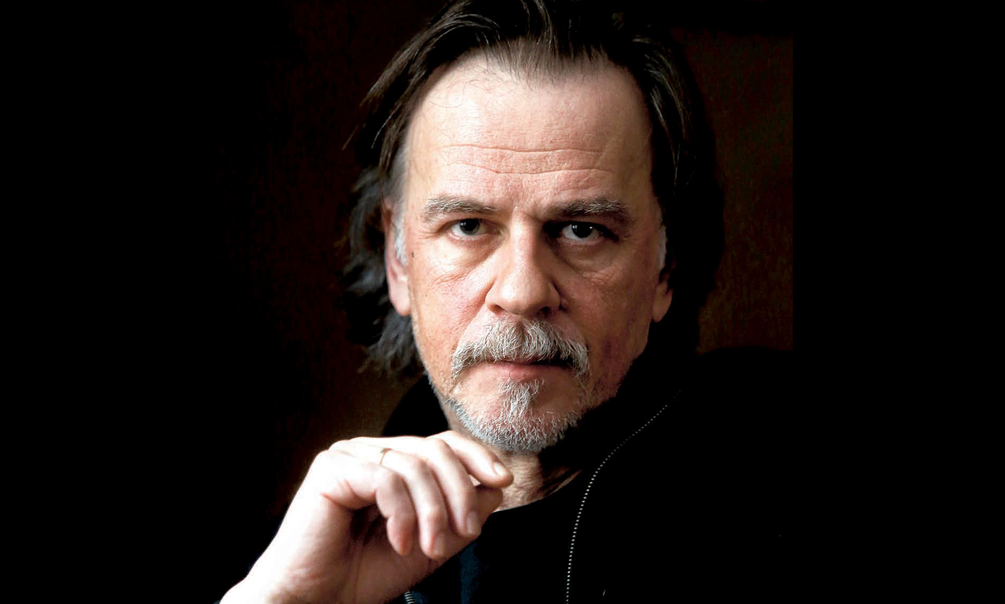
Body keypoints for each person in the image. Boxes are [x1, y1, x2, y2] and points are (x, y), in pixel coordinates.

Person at [221, 1, 791, 602]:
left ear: (665, 266)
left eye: (582, 230)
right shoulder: (287, 569)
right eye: (468, 226)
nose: (521, 292)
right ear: (398, 258)